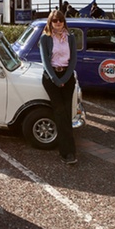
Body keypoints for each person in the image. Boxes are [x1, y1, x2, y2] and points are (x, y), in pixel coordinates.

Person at [38, 9, 78, 165]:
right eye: (55, 20)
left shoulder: (71, 38)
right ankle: (67, 153)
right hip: (51, 78)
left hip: (67, 77)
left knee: (66, 113)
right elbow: (46, 63)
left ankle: (69, 150)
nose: (58, 23)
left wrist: (65, 78)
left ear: (64, 22)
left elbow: (73, 60)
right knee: (60, 112)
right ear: (50, 22)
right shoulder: (45, 38)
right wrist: (56, 79)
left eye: (60, 20)